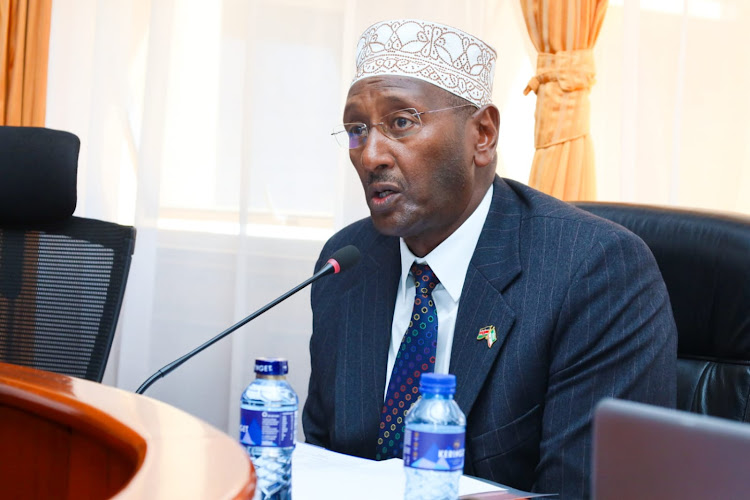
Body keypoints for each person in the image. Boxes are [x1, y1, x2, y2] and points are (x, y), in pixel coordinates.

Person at [302, 19, 676, 498]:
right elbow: (322, 460)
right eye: (356, 129)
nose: (370, 153)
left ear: (482, 134)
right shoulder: (345, 264)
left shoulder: (597, 272)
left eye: (401, 122)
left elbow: (583, 491)